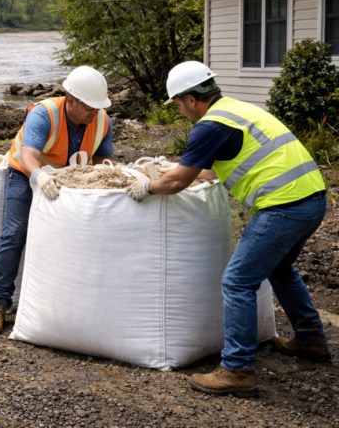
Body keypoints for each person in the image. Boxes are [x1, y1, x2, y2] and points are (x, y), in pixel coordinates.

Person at [126, 61, 328, 397]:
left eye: (177, 101)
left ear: (192, 98)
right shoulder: (237, 110)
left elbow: (178, 183)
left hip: (284, 206)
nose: (177, 108)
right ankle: (311, 340)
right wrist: (172, 170)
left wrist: (148, 187)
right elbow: (213, 171)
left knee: (238, 280)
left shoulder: (210, 126)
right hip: (312, 199)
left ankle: (236, 370)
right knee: (279, 268)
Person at [0, 66, 115, 334]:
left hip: (68, 178)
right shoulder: (45, 114)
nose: (94, 112)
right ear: (71, 99)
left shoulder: (101, 120)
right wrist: (40, 178)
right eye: (89, 106)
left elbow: (101, 163)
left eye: (98, 107)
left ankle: (59, 301)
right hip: (26, 173)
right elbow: (28, 156)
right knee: (15, 232)